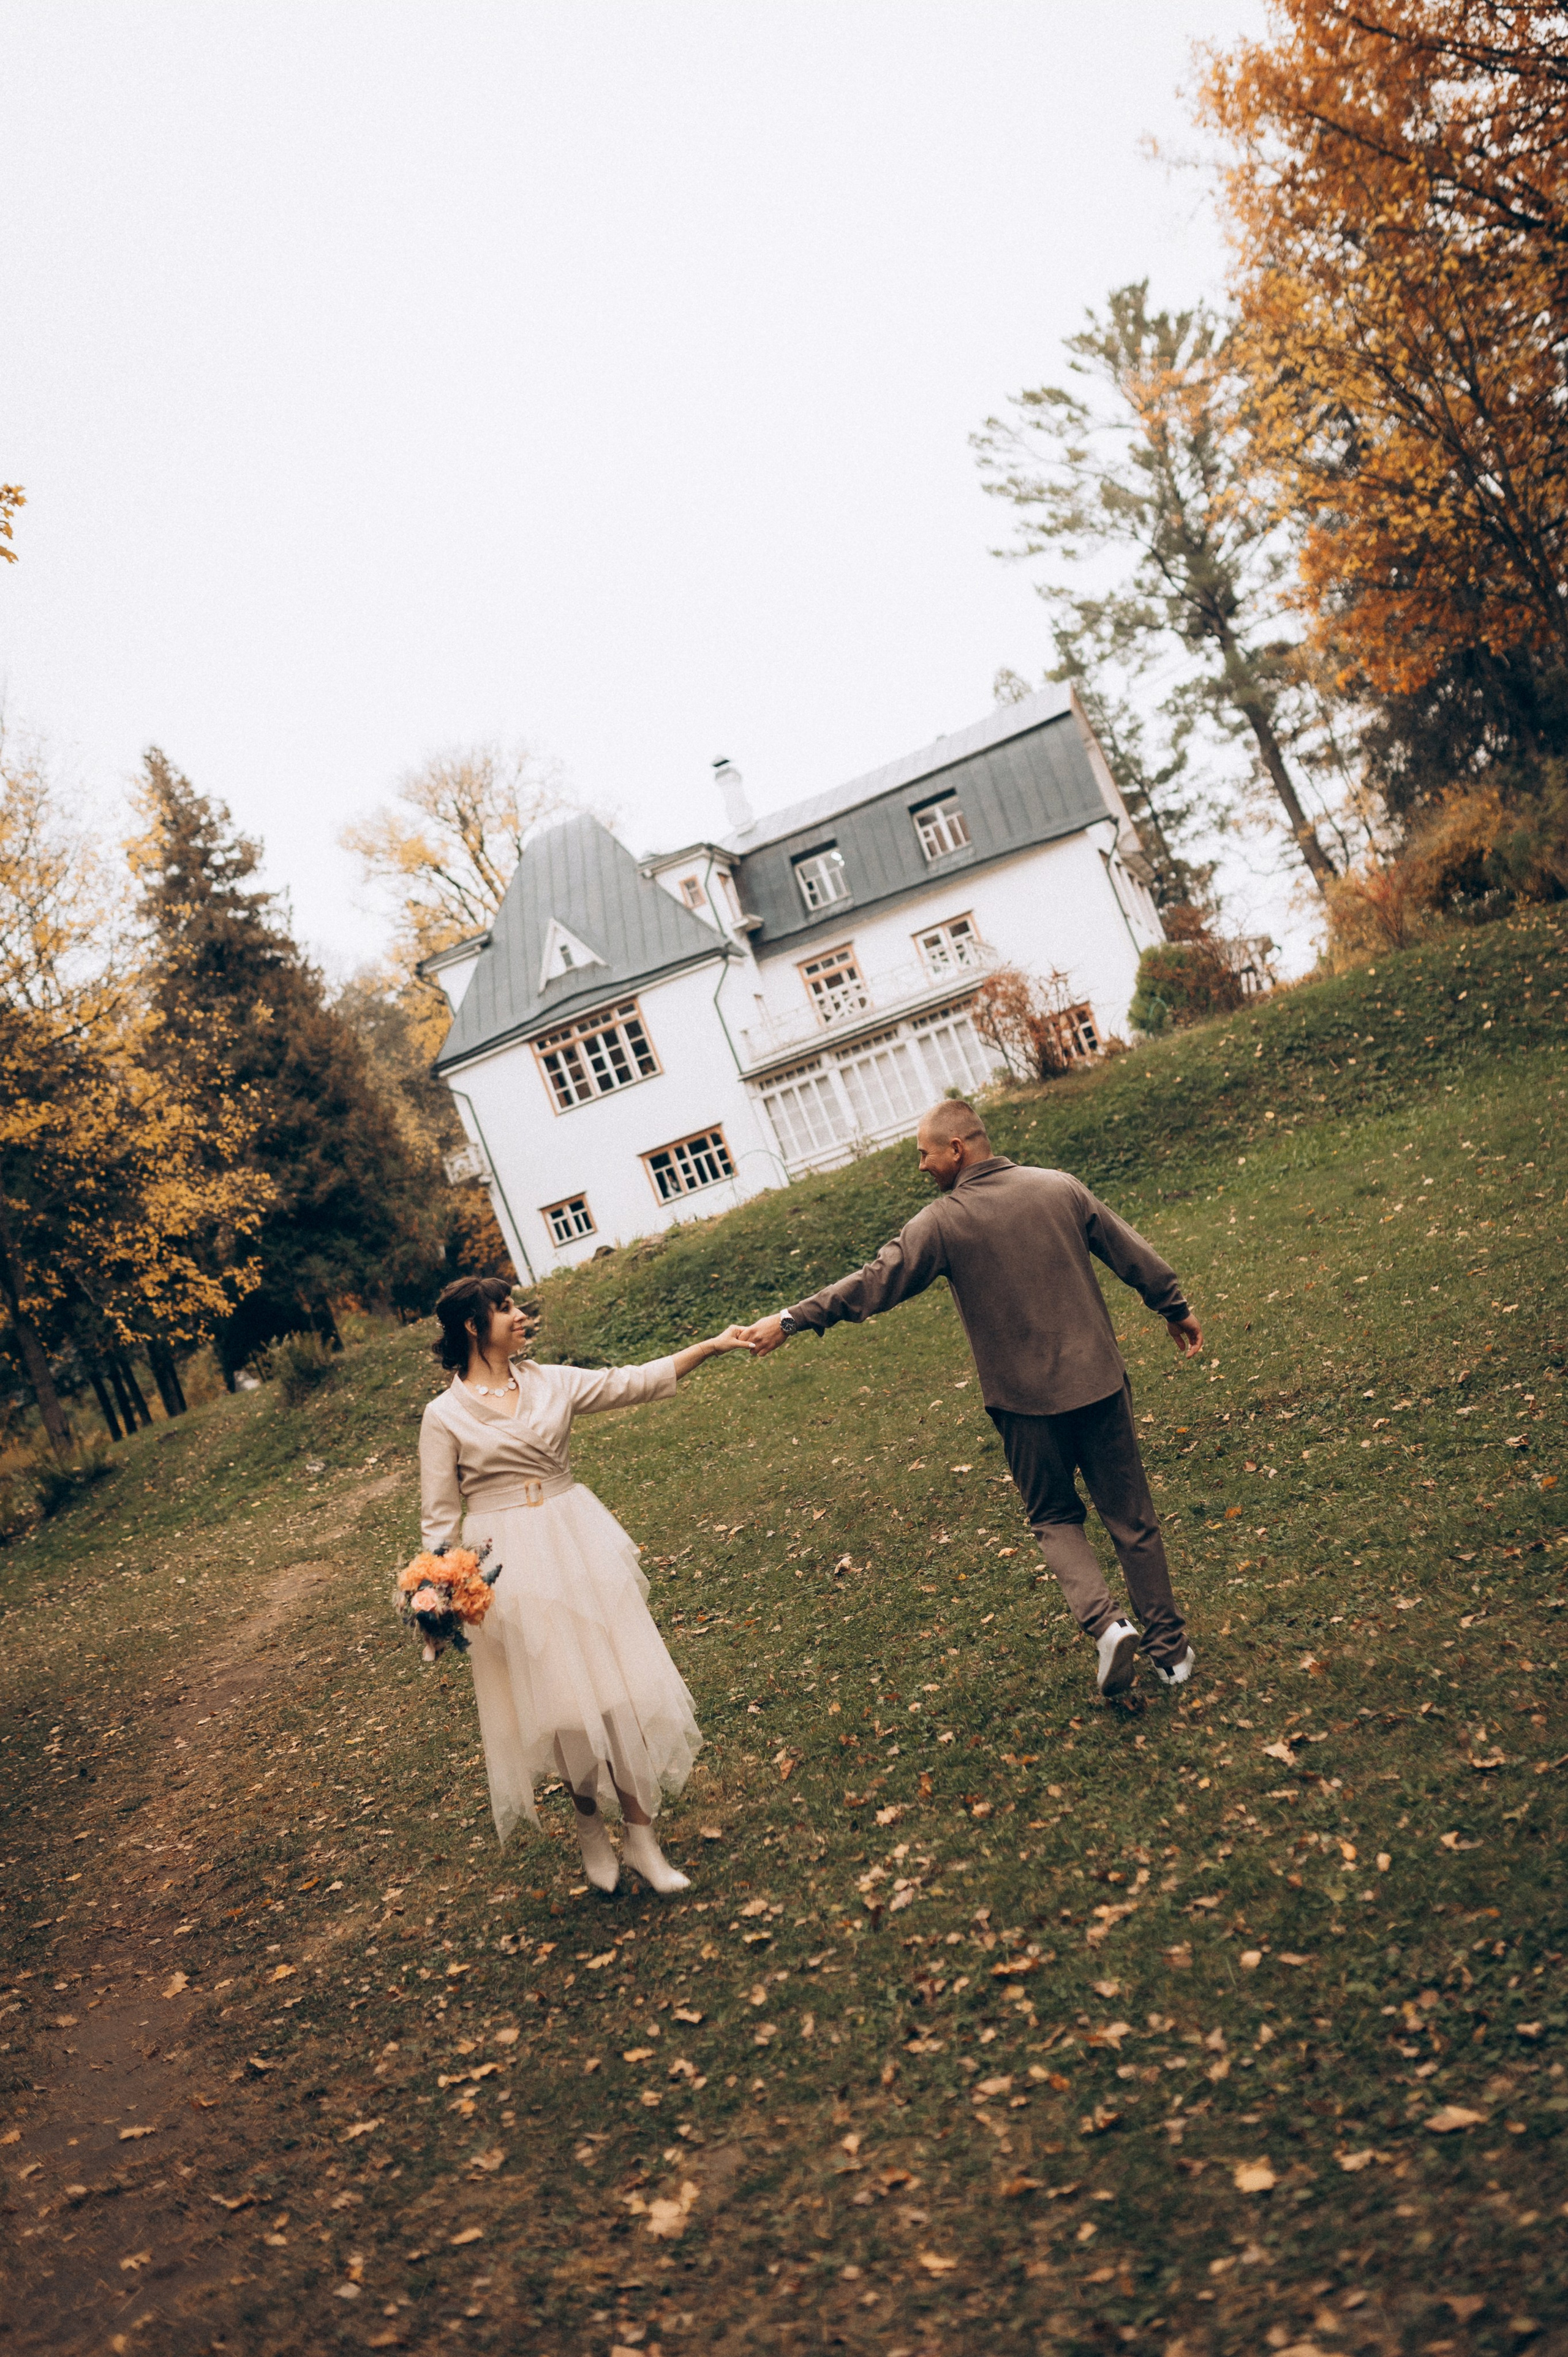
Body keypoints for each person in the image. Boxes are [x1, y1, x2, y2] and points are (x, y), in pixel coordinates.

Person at [741, 1100, 1202, 1697]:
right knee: (1131, 1517)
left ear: (957, 1147)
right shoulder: (1059, 1188)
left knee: (1054, 1515)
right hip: (1098, 1382)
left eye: (924, 1154)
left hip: (1021, 1402)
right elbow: (1129, 1251)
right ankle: (1170, 1653)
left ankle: (1107, 1623)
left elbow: (872, 1283)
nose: (922, 1166)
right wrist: (1174, 1305)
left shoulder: (942, 1222)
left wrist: (790, 1318)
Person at [419, 1275, 750, 1894]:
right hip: (507, 1563)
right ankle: (591, 1830)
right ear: (473, 1325)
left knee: (619, 1687)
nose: (521, 1316)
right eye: (507, 1308)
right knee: (564, 1701)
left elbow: (634, 1379)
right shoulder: (443, 1416)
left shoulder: (551, 1380)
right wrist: (434, 1602)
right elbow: (439, 1519)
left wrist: (710, 1345)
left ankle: (644, 1840)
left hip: (577, 1539)